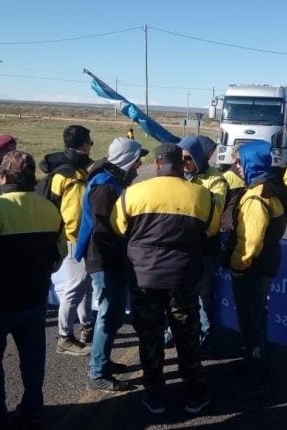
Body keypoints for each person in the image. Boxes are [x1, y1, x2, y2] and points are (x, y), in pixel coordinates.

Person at [0, 151, 66, 429]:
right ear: (32, 179)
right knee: (33, 356)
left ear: (3, 177)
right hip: (34, 298)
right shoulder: (50, 210)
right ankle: (32, 407)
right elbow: (59, 253)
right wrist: (43, 273)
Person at [111, 142, 220, 415]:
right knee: (187, 337)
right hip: (183, 280)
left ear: (158, 164)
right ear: (183, 164)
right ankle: (195, 395)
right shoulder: (201, 195)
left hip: (144, 279)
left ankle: (155, 397)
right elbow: (212, 229)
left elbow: (118, 227)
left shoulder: (132, 194)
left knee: (150, 338)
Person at [229, 139, 287, 400]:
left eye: (239, 161)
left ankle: (257, 374)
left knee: (251, 322)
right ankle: (253, 363)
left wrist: (238, 267)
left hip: (253, 267)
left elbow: (251, 241)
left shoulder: (257, 197)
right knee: (256, 318)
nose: (236, 165)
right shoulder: (274, 188)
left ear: (250, 162)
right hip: (268, 262)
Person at [75, 137, 148, 392]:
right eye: (137, 160)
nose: (139, 166)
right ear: (126, 161)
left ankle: (103, 363)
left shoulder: (111, 180)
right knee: (108, 315)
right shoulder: (105, 186)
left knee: (114, 314)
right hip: (104, 260)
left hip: (111, 259)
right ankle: (97, 374)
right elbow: (104, 230)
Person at [172, 134, 228, 353]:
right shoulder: (176, 175)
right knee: (176, 294)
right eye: (179, 159)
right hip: (179, 247)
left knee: (204, 294)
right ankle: (173, 332)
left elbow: (215, 210)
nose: (183, 163)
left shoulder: (216, 179)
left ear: (196, 157)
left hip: (204, 248)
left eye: (187, 158)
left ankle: (206, 333)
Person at [41, 125, 94, 356]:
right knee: (74, 288)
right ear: (83, 145)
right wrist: (79, 242)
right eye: (90, 143)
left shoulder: (65, 170)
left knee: (83, 285)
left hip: (70, 239)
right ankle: (65, 337)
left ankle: (86, 326)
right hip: (75, 240)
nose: (91, 146)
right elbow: (73, 216)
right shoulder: (71, 174)